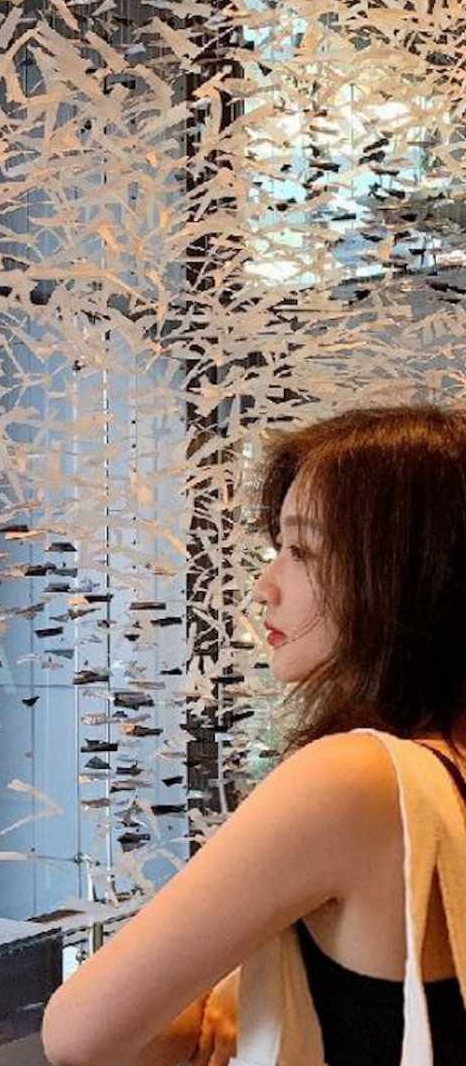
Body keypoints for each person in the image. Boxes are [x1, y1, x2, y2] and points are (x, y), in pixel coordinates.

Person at [41, 403, 466, 1066]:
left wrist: (227, 996)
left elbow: (78, 1032)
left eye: (302, 551)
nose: (266, 585)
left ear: (403, 572)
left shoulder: (356, 779)